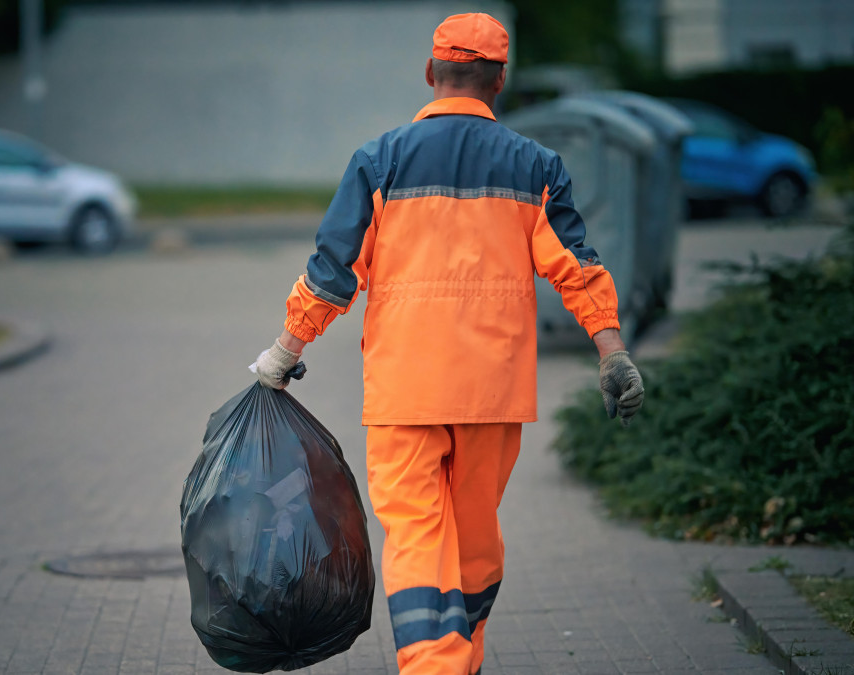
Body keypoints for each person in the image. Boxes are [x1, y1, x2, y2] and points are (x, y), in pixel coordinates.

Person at [252, 12, 645, 675]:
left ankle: (437, 663)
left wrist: (284, 353)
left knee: (415, 533)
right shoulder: (536, 166)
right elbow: (576, 268)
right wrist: (612, 351)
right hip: (493, 391)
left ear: (431, 73)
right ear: (500, 81)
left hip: (405, 389)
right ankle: (462, 656)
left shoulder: (379, 160)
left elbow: (332, 272)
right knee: (473, 537)